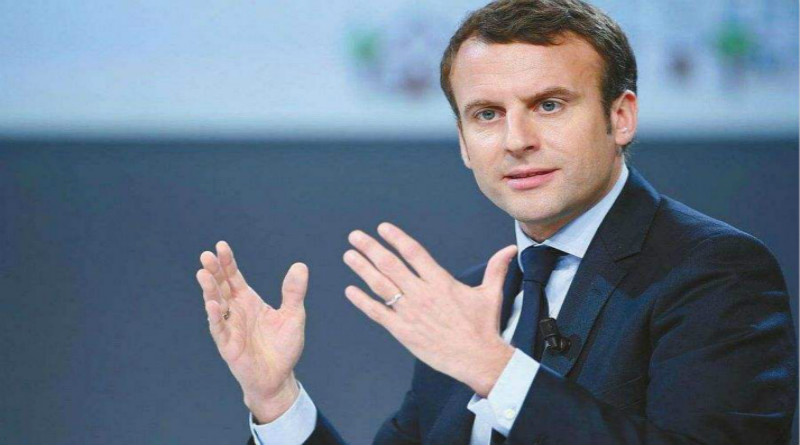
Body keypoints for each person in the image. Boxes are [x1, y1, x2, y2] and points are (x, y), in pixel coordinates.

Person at [194, 1, 797, 444]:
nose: (516, 140)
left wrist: (494, 370)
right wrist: (276, 401)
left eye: (549, 105)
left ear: (621, 117)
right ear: (462, 142)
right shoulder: (471, 302)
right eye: (486, 114)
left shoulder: (713, 272)